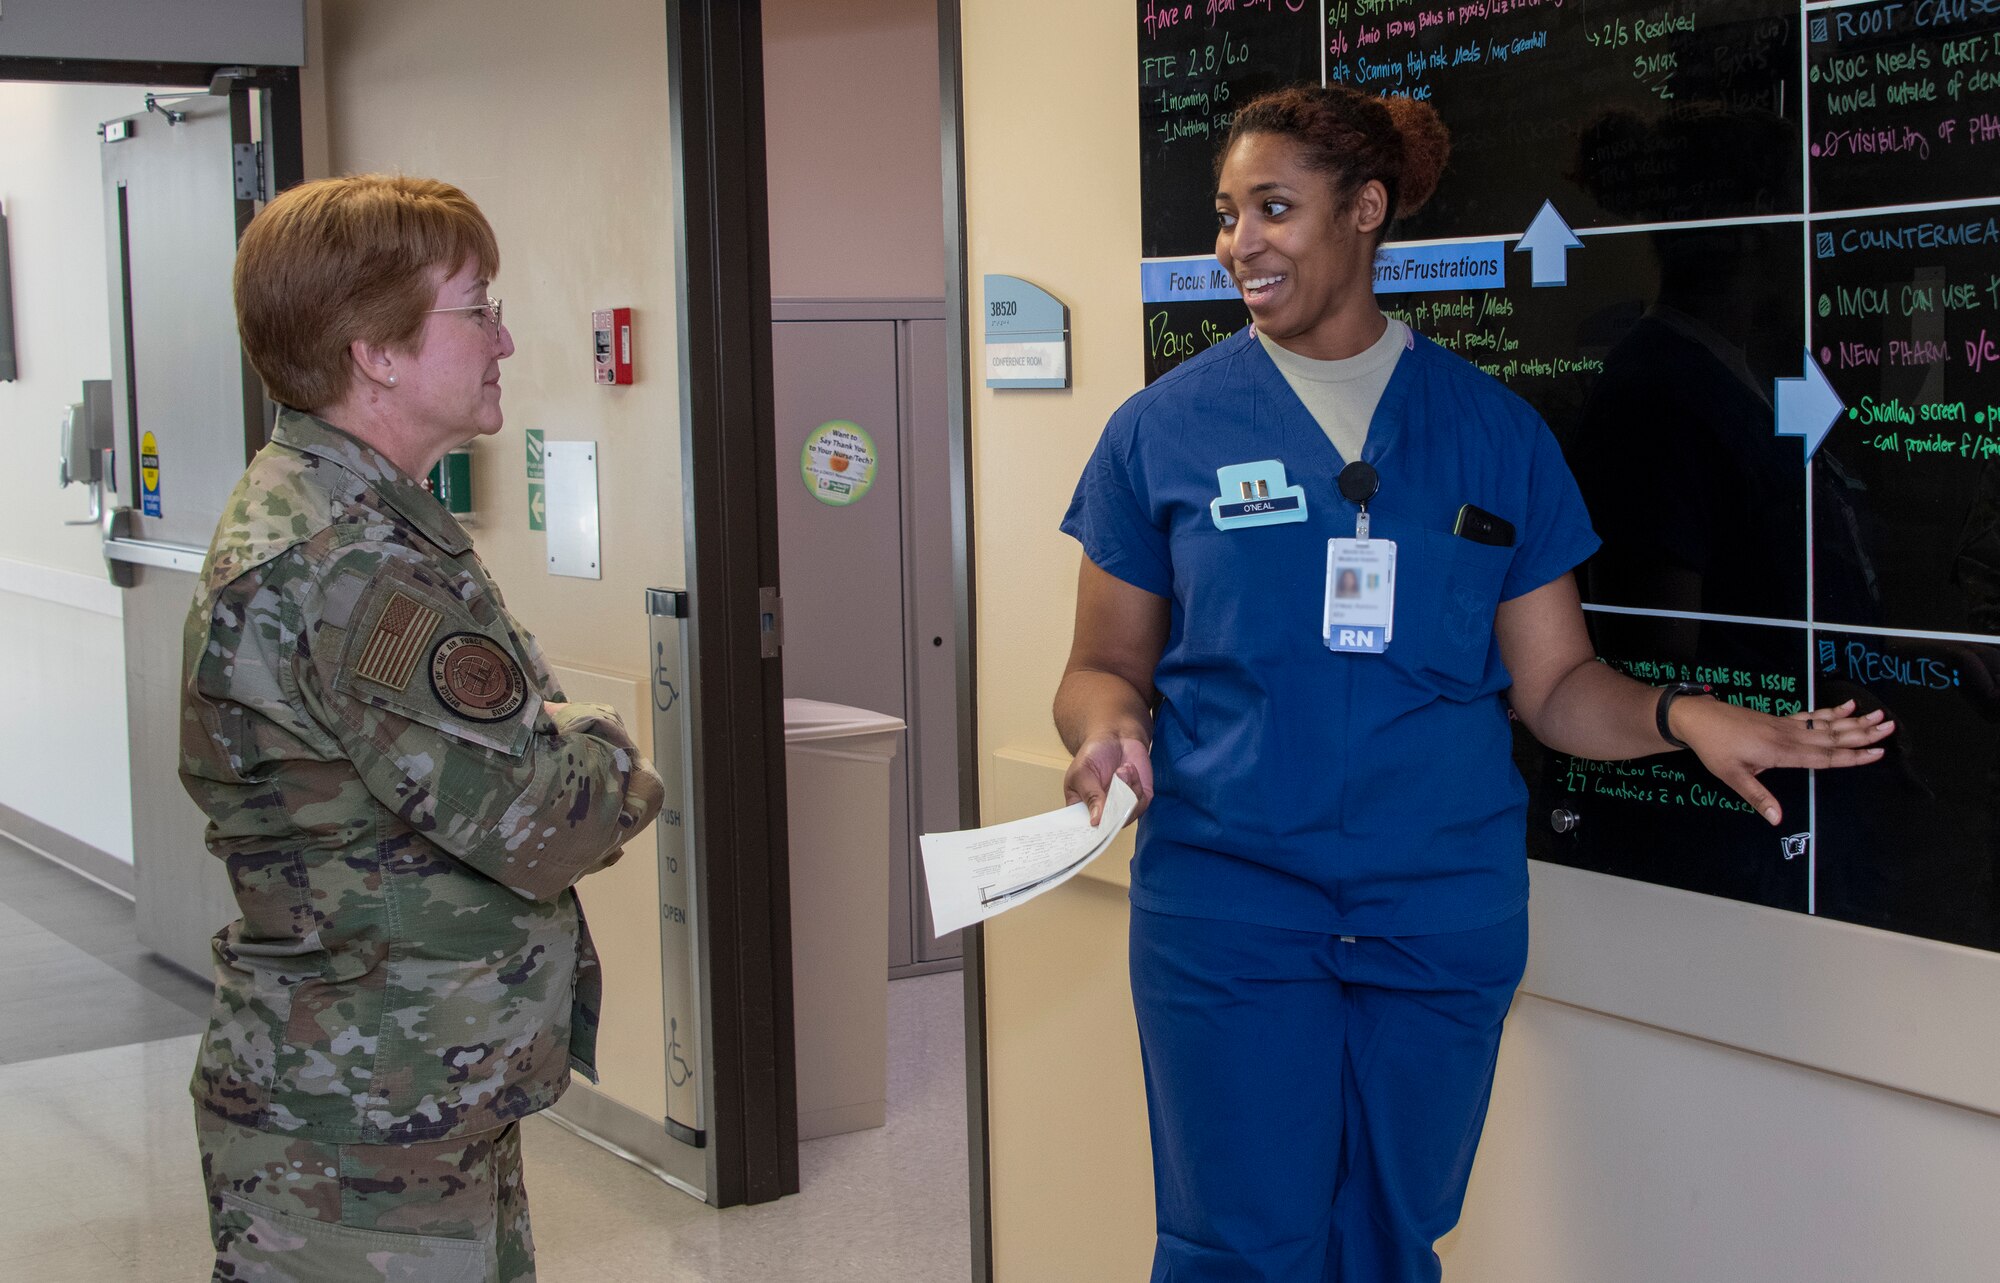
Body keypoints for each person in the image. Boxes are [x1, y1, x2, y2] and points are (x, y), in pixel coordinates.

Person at [1054, 86, 1894, 1283]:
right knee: (1236, 1246)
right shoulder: (1161, 432)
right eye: (1227, 214)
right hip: (1229, 904)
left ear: (1366, 210)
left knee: (1393, 1243)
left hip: (1435, 910)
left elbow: (1554, 686)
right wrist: (1104, 732)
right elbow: (1097, 667)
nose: (1238, 242)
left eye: (1273, 208)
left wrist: (1682, 716)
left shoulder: (1495, 434)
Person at [179, 174, 666, 1282]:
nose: (503, 338)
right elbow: (540, 818)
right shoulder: (350, 561)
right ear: (376, 351)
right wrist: (617, 755)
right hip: (362, 1129)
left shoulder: (345, 516)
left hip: (392, 1093)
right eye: (478, 307)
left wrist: (551, 741)